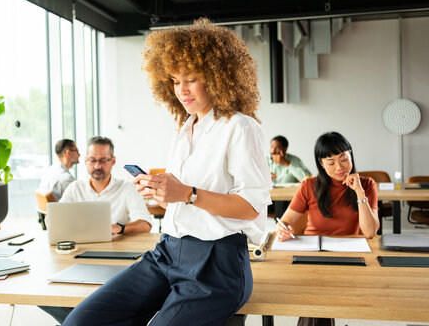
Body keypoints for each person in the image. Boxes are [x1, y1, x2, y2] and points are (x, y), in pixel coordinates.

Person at [62, 18, 272, 326]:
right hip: (167, 252)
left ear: (216, 76)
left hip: (217, 264)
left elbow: (252, 208)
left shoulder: (240, 127)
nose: (181, 90)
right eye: (174, 81)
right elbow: (182, 205)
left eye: (191, 79)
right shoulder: (186, 128)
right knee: (80, 322)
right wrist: (161, 194)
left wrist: (187, 194)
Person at [40, 136, 152, 325]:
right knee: (44, 292)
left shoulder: (126, 189)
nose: (97, 166)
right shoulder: (76, 188)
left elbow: (145, 225)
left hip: (116, 261)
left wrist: (121, 228)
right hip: (78, 256)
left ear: (112, 161)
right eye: (92, 160)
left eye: (103, 160)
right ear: (85, 161)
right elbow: (52, 220)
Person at [276, 131, 379, 326]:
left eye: (343, 159)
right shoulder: (309, 185)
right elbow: (285, 221)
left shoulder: (366, 184)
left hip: (349, 258)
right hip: (312, 255)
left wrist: (359, 192)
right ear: (321, 163)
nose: (339, 167)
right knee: (317, 296)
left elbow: (370, 232)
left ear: (351, 156)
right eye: (331, 163)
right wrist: (283, 229)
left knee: (316, 301)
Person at [268, 135, 312, 218]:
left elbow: (308, 179)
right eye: (271, 147)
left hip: (285, 198)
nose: (273, 150)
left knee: (282, 201)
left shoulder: (294, 160)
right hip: (268, 197)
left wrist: (287, 164)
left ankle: (282, 227)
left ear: (284, 149)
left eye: (277, 147)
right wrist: (265, 175)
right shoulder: (265, 159)